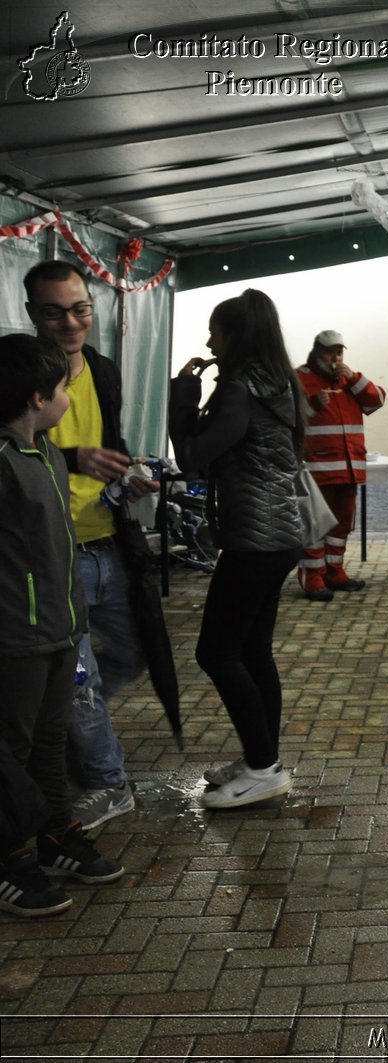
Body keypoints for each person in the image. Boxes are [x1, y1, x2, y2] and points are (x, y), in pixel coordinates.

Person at [0, 333, 123, 916]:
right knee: (12, 750)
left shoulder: (44, 452)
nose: (68, 396)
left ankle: (52, 838)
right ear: (34, 398)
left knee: (50, 742)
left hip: (58, 630)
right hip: (15, 638)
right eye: (60, 389)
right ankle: (9, 858)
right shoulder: (3, 461)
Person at [169, 290, 303, 809]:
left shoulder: (240, 389)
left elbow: (191, 456)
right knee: (251, 651)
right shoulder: (278, 383)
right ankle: (259, 758)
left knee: (216, 652)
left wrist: (183, 391)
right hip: (276, 536)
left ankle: (264, 769)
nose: (208, 341)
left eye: (215, 332)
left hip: (255, 540)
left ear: (236, 337)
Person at [28, 260, 145, 831]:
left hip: (109, 541)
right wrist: (76, 460)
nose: (70, 322)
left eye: (80, 309)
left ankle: (69, 731)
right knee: (81, 681)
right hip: (55, 553)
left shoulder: (103, 370)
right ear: (33, 316)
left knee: (130, 655)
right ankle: (107, 782)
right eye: (54, 312)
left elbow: (108, 444)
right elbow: (14, 450)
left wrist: (126, 474)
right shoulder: (17, 372)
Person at [294, 329, 385, 602]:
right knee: (314, 524)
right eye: (329, 352)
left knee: (341, 524)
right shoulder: (300, 378)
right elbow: (289, 418)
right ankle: (312, 577)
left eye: (339, 352)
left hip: (348, 467)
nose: (334, 357)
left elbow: (377, 400)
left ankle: (335, 571)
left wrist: (355, 377)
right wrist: (312, 406)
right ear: (316, 352)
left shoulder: (349, 379)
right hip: (317, 467)